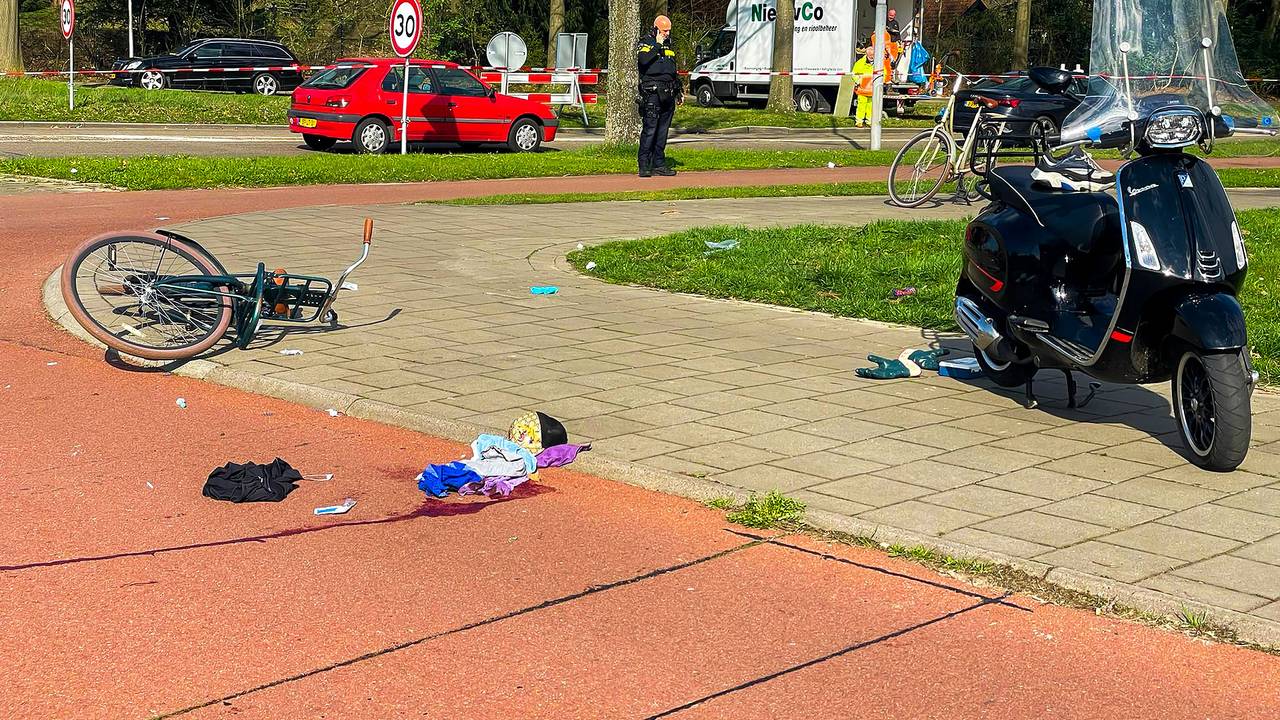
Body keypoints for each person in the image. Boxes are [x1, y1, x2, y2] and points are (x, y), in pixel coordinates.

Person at [636, 15, 682, 177]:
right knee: (650, 130)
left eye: (669, 30)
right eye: (664, 30)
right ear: (656, 29)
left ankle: (659, 164)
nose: (667, 33)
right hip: (652, 93)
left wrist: (679, 91)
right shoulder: (646, 43)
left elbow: (672, 71)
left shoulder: (669, 45)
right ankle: (644, 164)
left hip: (668, 93)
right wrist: (657, 44)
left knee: (662, 131)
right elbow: (643, 60)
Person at [852, 44, 877, 128]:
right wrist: (859, 82)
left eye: (873, 55)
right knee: (861, 106)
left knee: (870, 107)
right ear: (866, 54)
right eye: (870, 55)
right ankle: (859, 121)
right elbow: (854, 74)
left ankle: (869, 121)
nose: (872, 57)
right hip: (863, 89)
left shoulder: (877, 63)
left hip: (872, 90)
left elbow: (882, 73)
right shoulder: (860, 63)